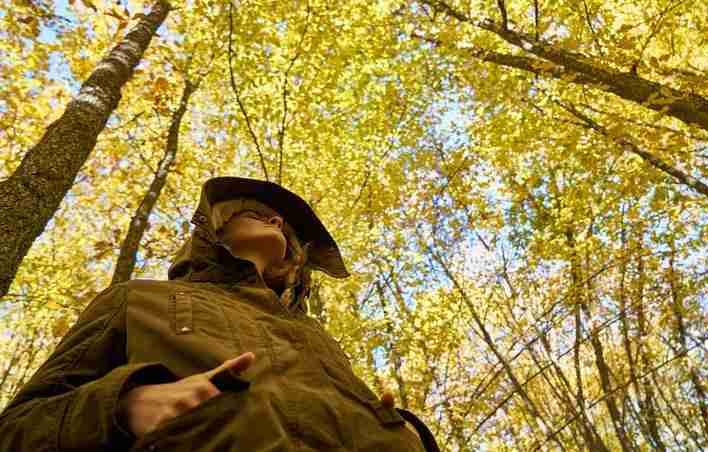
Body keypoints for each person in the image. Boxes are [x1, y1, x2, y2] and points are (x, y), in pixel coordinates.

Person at [0, 177, 440, 452]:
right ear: (212, 227)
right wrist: (124, 405)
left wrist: (411, 436)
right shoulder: (137, 300)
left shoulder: (319, 339)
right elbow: (17, 430)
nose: (274, 219)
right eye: (255, 209)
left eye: (283, 224)